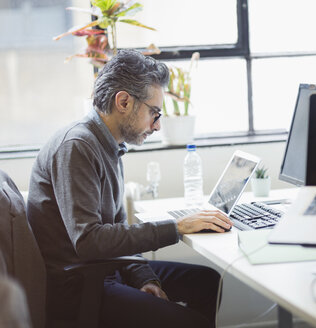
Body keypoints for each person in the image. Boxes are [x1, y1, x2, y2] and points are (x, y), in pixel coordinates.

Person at [26, 49, 232, 328]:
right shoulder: (77, 146)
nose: (157, 126)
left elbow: (117, 227)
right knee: (191, 322)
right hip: (80, 285)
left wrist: (144, 278)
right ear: (123, 101)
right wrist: (177, 226)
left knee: (208, 281)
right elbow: (89, 241)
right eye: (154, 112)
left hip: (103, 270)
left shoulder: (109, 145)